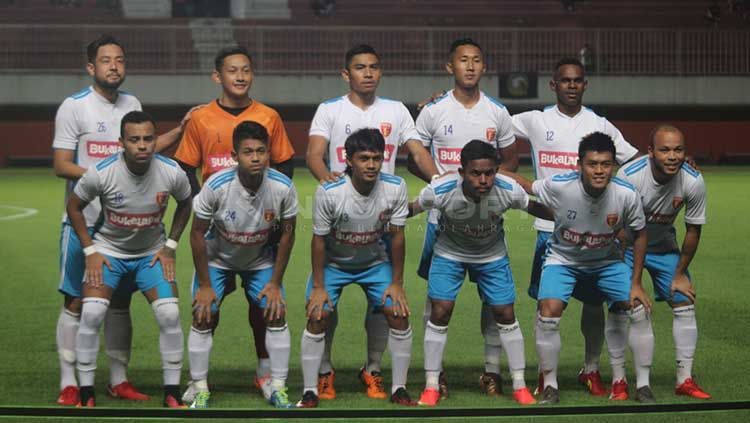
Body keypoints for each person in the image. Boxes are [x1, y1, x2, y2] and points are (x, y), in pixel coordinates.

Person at [52, 34, 196, 406]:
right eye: (105, 60)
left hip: (132, 228)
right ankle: (69, 382)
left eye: (119, 60)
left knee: (118, 304)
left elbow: (143, 146)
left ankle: (119, 379)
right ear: (91, 68)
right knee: (76, 302)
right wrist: (106, 177)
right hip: (86, 223)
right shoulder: (74, 107)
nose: (114, 66)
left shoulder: (131, 103)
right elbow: (60, 164)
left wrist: (178, 132)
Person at [306, 44, 437, 401]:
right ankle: (324, 369)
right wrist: (329, 185)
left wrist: (439, 181)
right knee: (324, 306)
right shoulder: (330, 110)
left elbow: (418, 151)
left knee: (384, 305)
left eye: (374, 67)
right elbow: (314, 155)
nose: (368, 72)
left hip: (383, 220)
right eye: (360, 67)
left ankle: (374, 368)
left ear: (381, 72)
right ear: (346, 74)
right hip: (341, 220)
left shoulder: (395, 111)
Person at [511, 57, 640, 397]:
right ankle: (545, 374)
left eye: (577, 80)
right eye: (565, 80)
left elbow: (635, 160)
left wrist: (678, 158)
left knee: (594, 304)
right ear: (553, 85)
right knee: (546, 305)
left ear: (585, 85)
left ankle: (592, 368)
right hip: (548, 227)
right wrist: (442, 99)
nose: (571, 85)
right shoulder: (535, 120)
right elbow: (490, 125)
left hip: (597, 229)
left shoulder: (600, 124)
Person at [173, 45, 296, 391]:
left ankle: (265, 372)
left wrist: (271, 221)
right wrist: (204, 207)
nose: (240, 76)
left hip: (259, 227)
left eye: (246, 70)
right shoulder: (201, 118)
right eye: (232, 71)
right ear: (218, 76)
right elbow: (185, 167)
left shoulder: (269, 116)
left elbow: (284, 165)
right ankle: (197, 382)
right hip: (219, 226)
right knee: (205, 308)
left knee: (265, 308)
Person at [503, 132, 655, 404]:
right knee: (548, 312)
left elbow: (640, 234)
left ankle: (643, 385)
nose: (599, 171)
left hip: (607, 262)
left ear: (614, 166)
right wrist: (494, 171)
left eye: (606, 164)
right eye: (592, 164)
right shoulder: (561, 186)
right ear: (579, 165)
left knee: (639, 308)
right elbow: (527, 185)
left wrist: (636, 284)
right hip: (563, 260)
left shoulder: (627, 194)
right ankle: (550, 384)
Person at [411, 37, 519, 398]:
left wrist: (492, 190)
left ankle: (492, 372)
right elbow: (415, 155)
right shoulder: (433, 110)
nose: (469, 66)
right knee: (436, 300)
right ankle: (435, 374)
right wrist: (437, 182)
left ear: (483, 67)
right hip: (443, 219)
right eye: (462, 60)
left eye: (476, 60)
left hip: (486, 220)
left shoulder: (498, 112)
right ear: (450, 67)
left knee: (494, 300)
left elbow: (511, 160)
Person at [66, 111, 193, 407]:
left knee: (170, 315)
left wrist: (171, 244)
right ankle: (86, 393)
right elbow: (74, 207)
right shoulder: (102, 171)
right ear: (121, 142)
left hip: (151, 255)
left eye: (148, 138)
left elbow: (186, 203)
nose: (142, 145)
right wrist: (90, 251)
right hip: (109, 253)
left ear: (155, 139)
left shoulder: (171, 171)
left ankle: (172, 392)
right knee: (93, 313)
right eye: (134, 139)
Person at [409, 141, 546, 407]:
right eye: (475, 173)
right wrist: (379, 218)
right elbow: (410, 209)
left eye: (489, 173)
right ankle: (431, 386)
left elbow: (533, 207)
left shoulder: (508, 190)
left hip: (491, 256)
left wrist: (564, 219)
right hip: (449, 254)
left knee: (506, 313)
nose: (483, 180)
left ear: (496, 170)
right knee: (440, 311)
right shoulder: (440, 190)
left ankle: (519, 386)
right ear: (462, 172)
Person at [182, 121, 297, 409]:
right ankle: (199, 387)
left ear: (269, 153)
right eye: (248, 152)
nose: (255, 157)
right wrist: (206, 285)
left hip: (259, 261)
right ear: (235, 155)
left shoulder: (282, 187)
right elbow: (196, 233)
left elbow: (287, 233)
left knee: (276, 311)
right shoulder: (216, 186)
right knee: (203, 313)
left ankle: (277, 385)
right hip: (218, 260)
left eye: (261, 151)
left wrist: (274, 283)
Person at [297, 128, 416, 408]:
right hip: (334, 264)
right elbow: (319, 241)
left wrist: (397, 283)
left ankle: (393, 384)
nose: (372, 165)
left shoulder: (396, 187)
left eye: (377, 158)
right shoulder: (329, 192)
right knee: (318, 314)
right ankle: (314, 385)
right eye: (364, 158)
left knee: (397, 312)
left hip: (375, 262)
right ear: (348, 160)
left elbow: (397, 237)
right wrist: (318, 287)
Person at [617, 124, 711, 400]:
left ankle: (685, 379)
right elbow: (618, 226)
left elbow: (693, 230)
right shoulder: (630, 176)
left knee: (684, 299)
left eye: (678, 149)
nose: (672, 156)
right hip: (625, 245)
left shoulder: (692, 181)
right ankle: (635, 382)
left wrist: (680, 273)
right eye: (665, 149)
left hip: (663, 246)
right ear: (650, 152)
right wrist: (631, 279)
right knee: (632, 305)